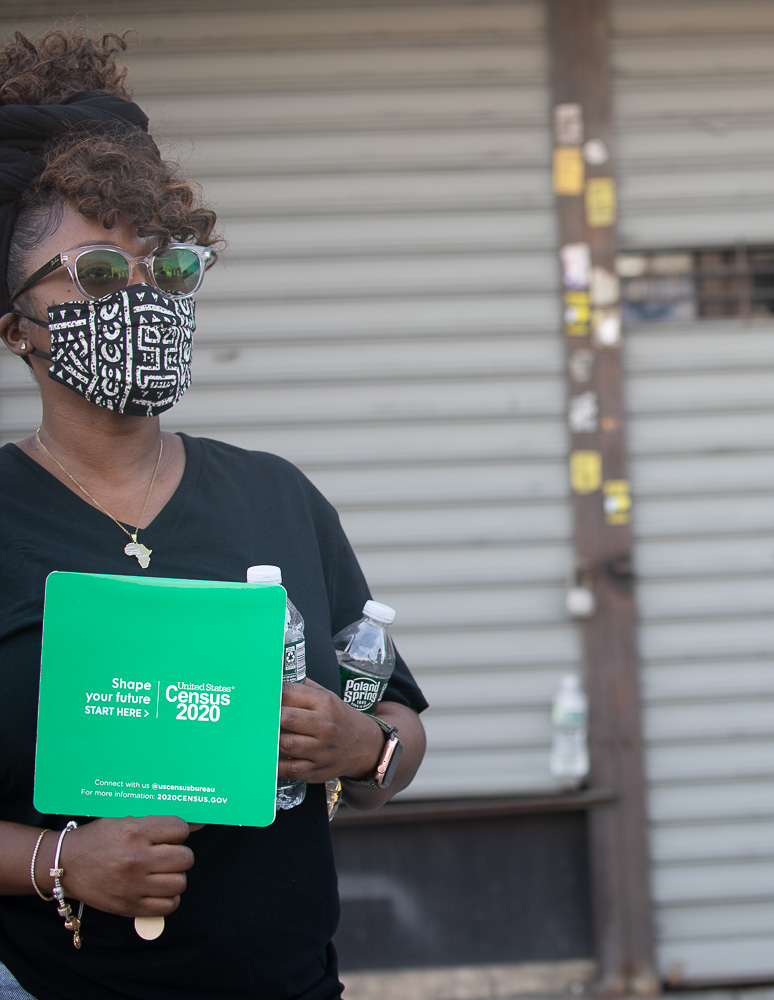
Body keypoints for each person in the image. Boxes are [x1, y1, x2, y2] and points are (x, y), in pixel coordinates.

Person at [0, 29, 428, 1000]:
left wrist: (366, 749)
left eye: (169, 266)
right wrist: (58, 863)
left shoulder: (276, 494)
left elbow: (393, 718)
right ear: (13, 322)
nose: (142, 294)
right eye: (97, 274)